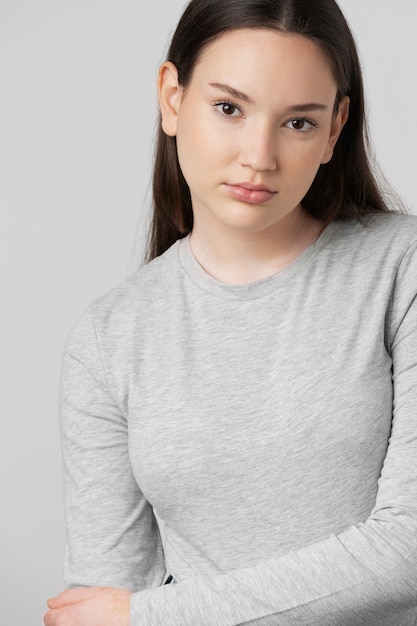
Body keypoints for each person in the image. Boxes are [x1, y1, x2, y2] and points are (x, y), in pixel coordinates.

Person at [44, 0, 417, 624]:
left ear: (335, 129)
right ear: (171, 98)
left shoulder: (400, 268)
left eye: (298, 122)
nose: (259, 155)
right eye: (229, 109)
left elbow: (409, 551)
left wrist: (149, 617)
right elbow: (99, 602)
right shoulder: (109, 337)